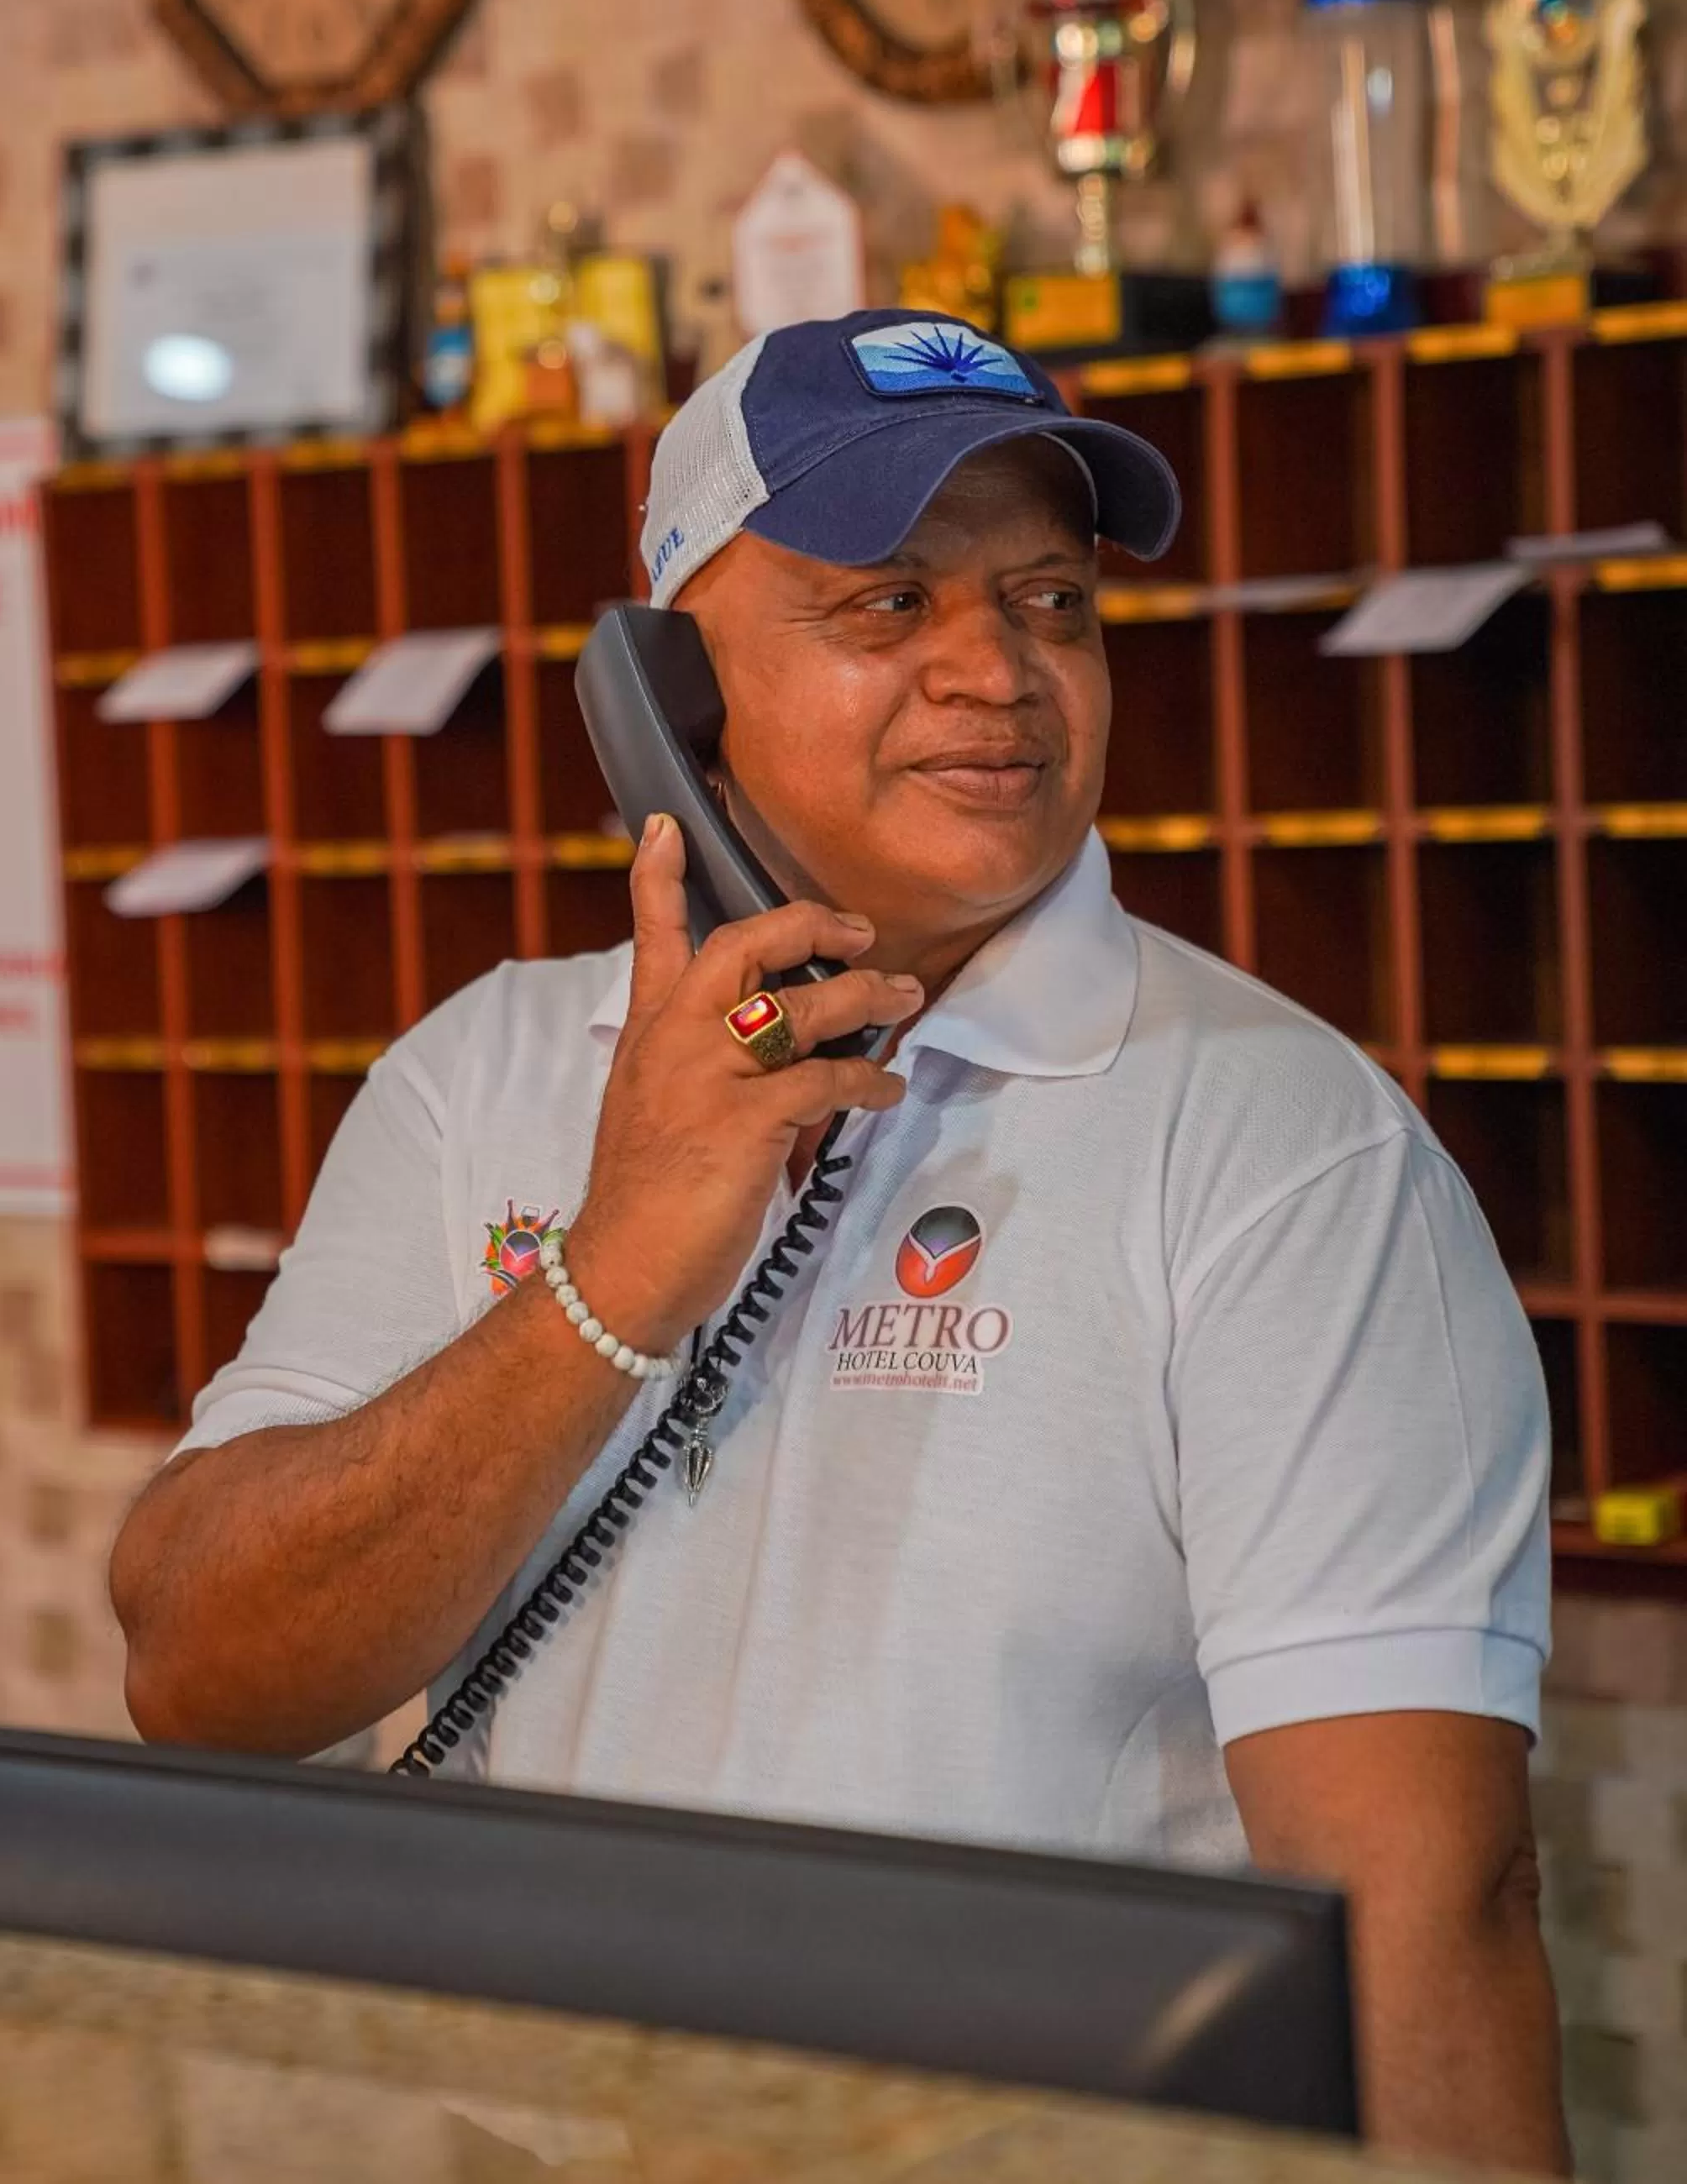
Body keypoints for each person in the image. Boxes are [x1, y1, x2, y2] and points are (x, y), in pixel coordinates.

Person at [111, 309, 1567, 2172]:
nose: (1002, 673)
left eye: (1050, 600)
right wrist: (622, 1263)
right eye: (889, 604)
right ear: (661, 687)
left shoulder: (1287, 1151)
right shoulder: (477, 1075)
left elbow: (1426, 1911)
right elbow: (199, 1677)